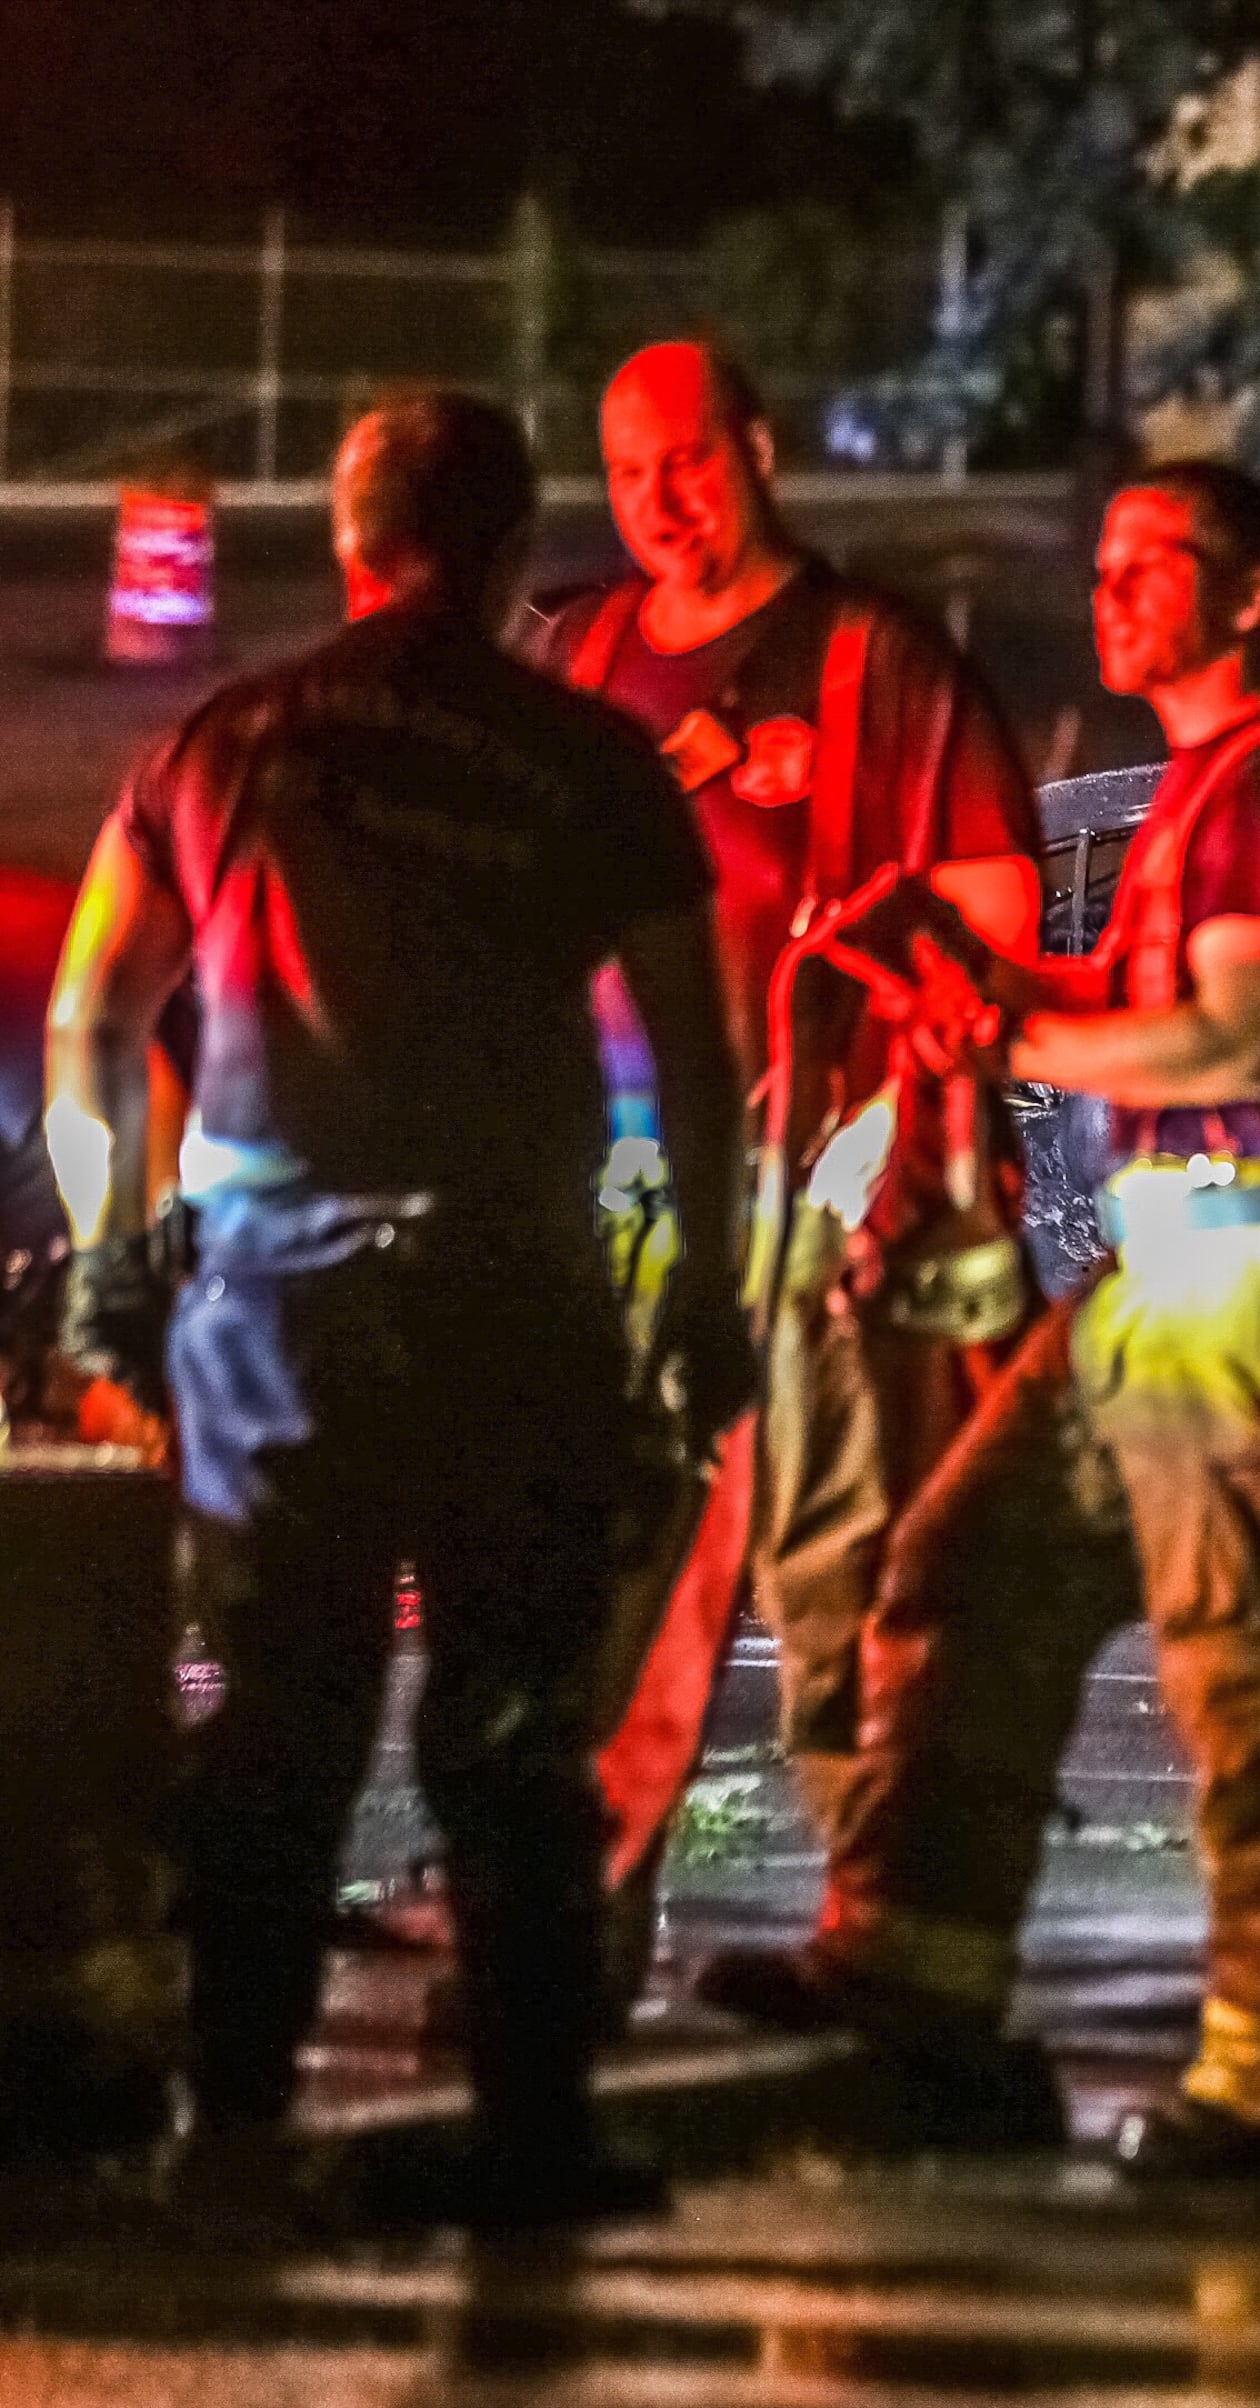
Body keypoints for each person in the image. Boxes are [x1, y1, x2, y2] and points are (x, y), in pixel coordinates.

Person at [43, 392, 751, 2225]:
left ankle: (238, 2129)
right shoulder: (593, 762)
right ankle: (533, 2141)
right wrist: (707, 1302)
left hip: (272, 1312)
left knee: (278, 1720)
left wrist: (117, 1266)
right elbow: (696, 1059)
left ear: (348, 545)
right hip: (513, 1298)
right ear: (517, 548)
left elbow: (91, 1025)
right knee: (515, 1729)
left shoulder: (224, 743)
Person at [701, 461, 1260, 2186]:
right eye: (1106, 563)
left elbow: (1238, 1039)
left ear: (1253, 598)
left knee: (1252, 1681)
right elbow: (1127, 1000)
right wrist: (962, 968)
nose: (1116, 591)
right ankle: (911, 1970)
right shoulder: (1196, 794)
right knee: (961, 1575)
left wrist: (1000, 1031)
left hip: (1254, 1296)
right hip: (1163, 1292)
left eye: (1158, 563)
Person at [522, 343, 1045, 1896]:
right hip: (617, 1191)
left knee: (839, 1575)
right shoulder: (583, 658)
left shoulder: (878, 666)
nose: (659, 503)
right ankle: (562, 1931)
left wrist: (865, 1159)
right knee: (605, 1573)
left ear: (759, 450)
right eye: (627, 474)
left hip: (822, 1196)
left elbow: (994, 918)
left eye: (687, 462)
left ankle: (881, 1927)